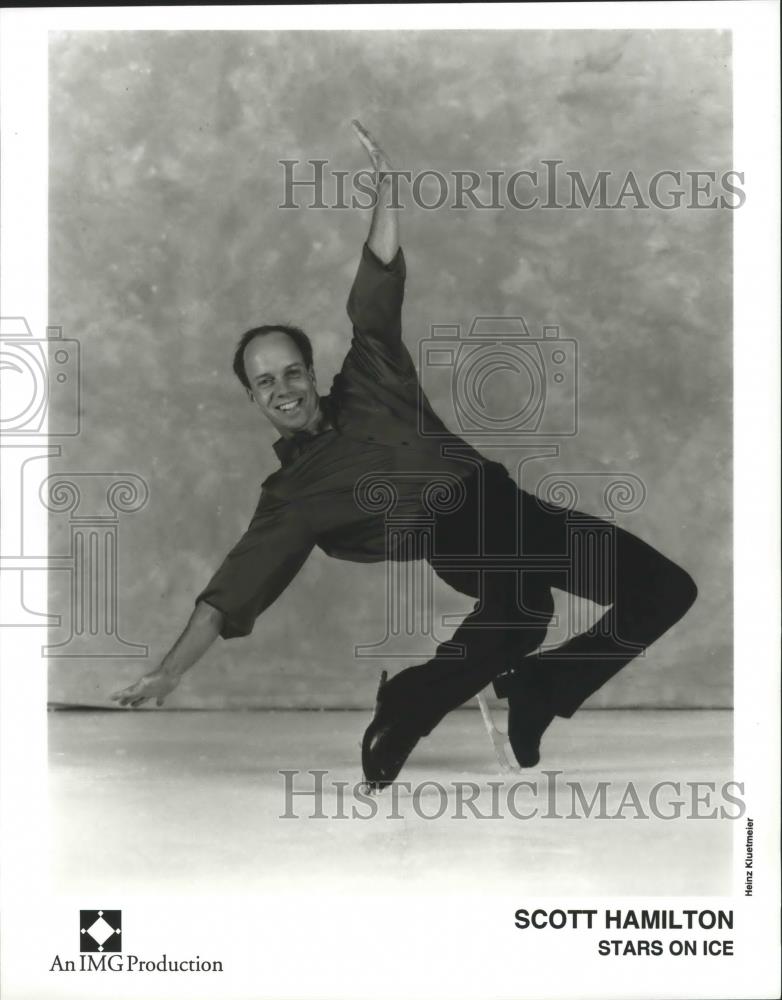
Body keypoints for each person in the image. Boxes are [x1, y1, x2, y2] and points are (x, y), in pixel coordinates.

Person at [112, 121, 697, 790]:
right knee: (520, 609)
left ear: (310, 370)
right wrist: (170, 670)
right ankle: (407, 712)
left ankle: (539, 686)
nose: (284, 389)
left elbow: (375, 292)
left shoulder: (371, 376)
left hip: (511, 509)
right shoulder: (292, 497)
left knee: (662, 590)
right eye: (265, 382)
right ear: (252, 398)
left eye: (292, 371)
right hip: (455, 533)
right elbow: (225, 597)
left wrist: (387, 188)